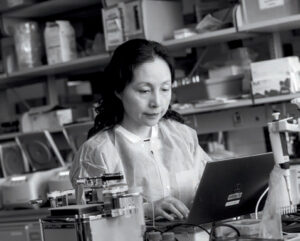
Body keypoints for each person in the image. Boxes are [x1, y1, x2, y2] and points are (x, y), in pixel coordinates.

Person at [70, 38, 211, 221]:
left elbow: (211, 185)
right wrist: (144, 210)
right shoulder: (98, 152)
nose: (157, 102)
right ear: (118, 90)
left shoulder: (182, 136)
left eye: (165, 89)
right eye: (144, 91)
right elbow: (91, 217)